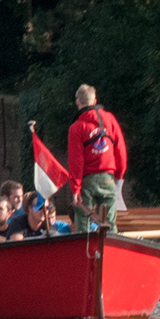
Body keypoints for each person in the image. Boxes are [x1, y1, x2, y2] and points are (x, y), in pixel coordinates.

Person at [66, 84, 128, 232]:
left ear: (77, 102)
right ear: (95, 101)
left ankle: (85, 246)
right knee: (110, 223)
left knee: (83, 223)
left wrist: (75, 189)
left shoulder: (76, 127)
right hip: (108, 178)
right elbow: (120, 150)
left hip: (87, 181)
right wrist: (119, 175)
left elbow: (76, 161)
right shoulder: (110, 120)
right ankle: (111, 245)